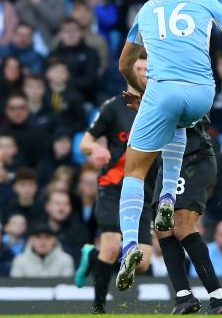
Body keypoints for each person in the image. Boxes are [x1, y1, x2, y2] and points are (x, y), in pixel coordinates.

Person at [115, 0, 222, 294]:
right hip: (202, 94)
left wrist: (142, 91)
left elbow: (125, 64)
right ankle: (167, 197)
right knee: (178, 123)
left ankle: (128, 246)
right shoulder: (207, 0)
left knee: (134, 171)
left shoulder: (148, 9)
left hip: (163, 90)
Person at [74, 53, 154, 314]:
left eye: (147, 69)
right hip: (113, 185)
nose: (143, 73)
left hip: (144, 189)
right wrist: (94, 150)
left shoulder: (158, 106)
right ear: (128, 72)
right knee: (111, 248)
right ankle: (98, 308)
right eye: (139, 68)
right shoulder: (113, 106)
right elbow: (85, 142)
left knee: (142, 262)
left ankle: (91, 256)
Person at [151, 115, 222, 314]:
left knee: (182, 226)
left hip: (193, 155)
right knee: (162, 227)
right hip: (167, 159)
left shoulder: (187, 86)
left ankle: (218, 297)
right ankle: (184, 297)